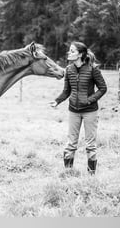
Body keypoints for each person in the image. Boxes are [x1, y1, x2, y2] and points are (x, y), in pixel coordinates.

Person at [50, 41, 107, 174]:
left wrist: (89, 100)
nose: (69, 53)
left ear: (80, 54)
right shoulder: (69, 70)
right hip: (73, 111)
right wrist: (57, 101)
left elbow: (103, 88)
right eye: (69, 50)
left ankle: (91, 176)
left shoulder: (93, 69)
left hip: (90, 112)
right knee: (71, 144)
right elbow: (66, 91)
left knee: (90, 145)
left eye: (72, 51)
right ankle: (68, 173)